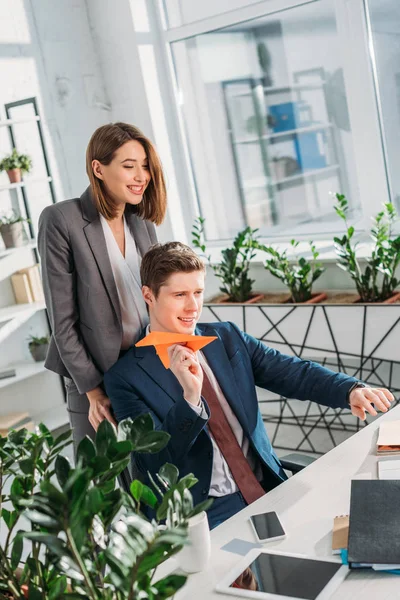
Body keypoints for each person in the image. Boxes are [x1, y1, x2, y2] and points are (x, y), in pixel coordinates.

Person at [104, 242, 393, 529]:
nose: (193, 307)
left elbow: (293, 373)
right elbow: (156, 462)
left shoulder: (227, 338)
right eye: (179, 295)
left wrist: (350, 390)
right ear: (149, 296)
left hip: (268, 488)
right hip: (204, 515)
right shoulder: (126, 377)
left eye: (198, 293)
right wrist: (190, 400)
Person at [38, 122, 167, 452]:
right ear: (98, 168)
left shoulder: (140, 220)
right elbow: (62, 322)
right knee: (101, 486)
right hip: (93, 374)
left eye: (144, 167)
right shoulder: (61, 220)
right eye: (128, 166)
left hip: (145, 365)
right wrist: (94, 391)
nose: (141, 176)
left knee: (154, 477)